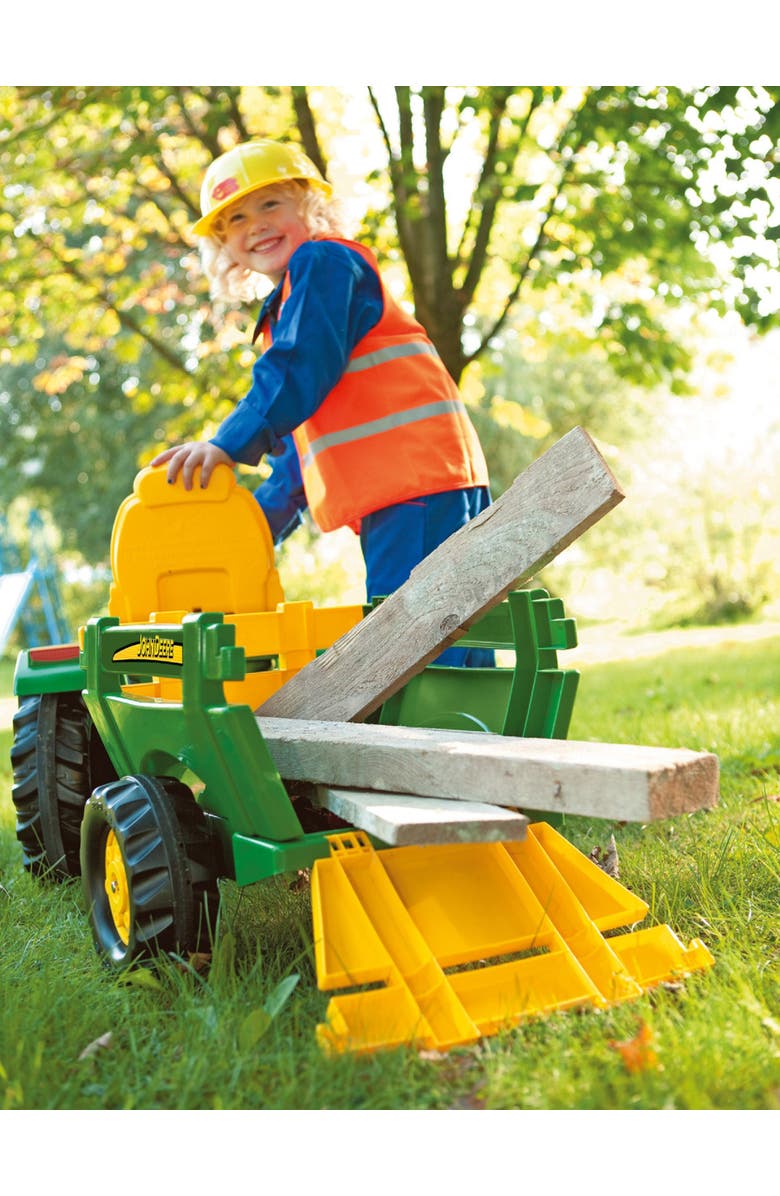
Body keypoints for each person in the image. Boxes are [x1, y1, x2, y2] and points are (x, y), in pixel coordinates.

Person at [152, 139, 492, 665]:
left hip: (414, 482)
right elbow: (295, 466)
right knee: (450, 632)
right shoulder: (293, 301)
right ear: (225, 244)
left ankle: (446, 741)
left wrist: (227, 443)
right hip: (415, 484)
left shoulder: (323, 262)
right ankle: (478, 738)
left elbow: (299, 365)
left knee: (418, 643)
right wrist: (240, 538)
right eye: (237, 218)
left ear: (310, 207)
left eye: (271, 204)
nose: (257, 224)